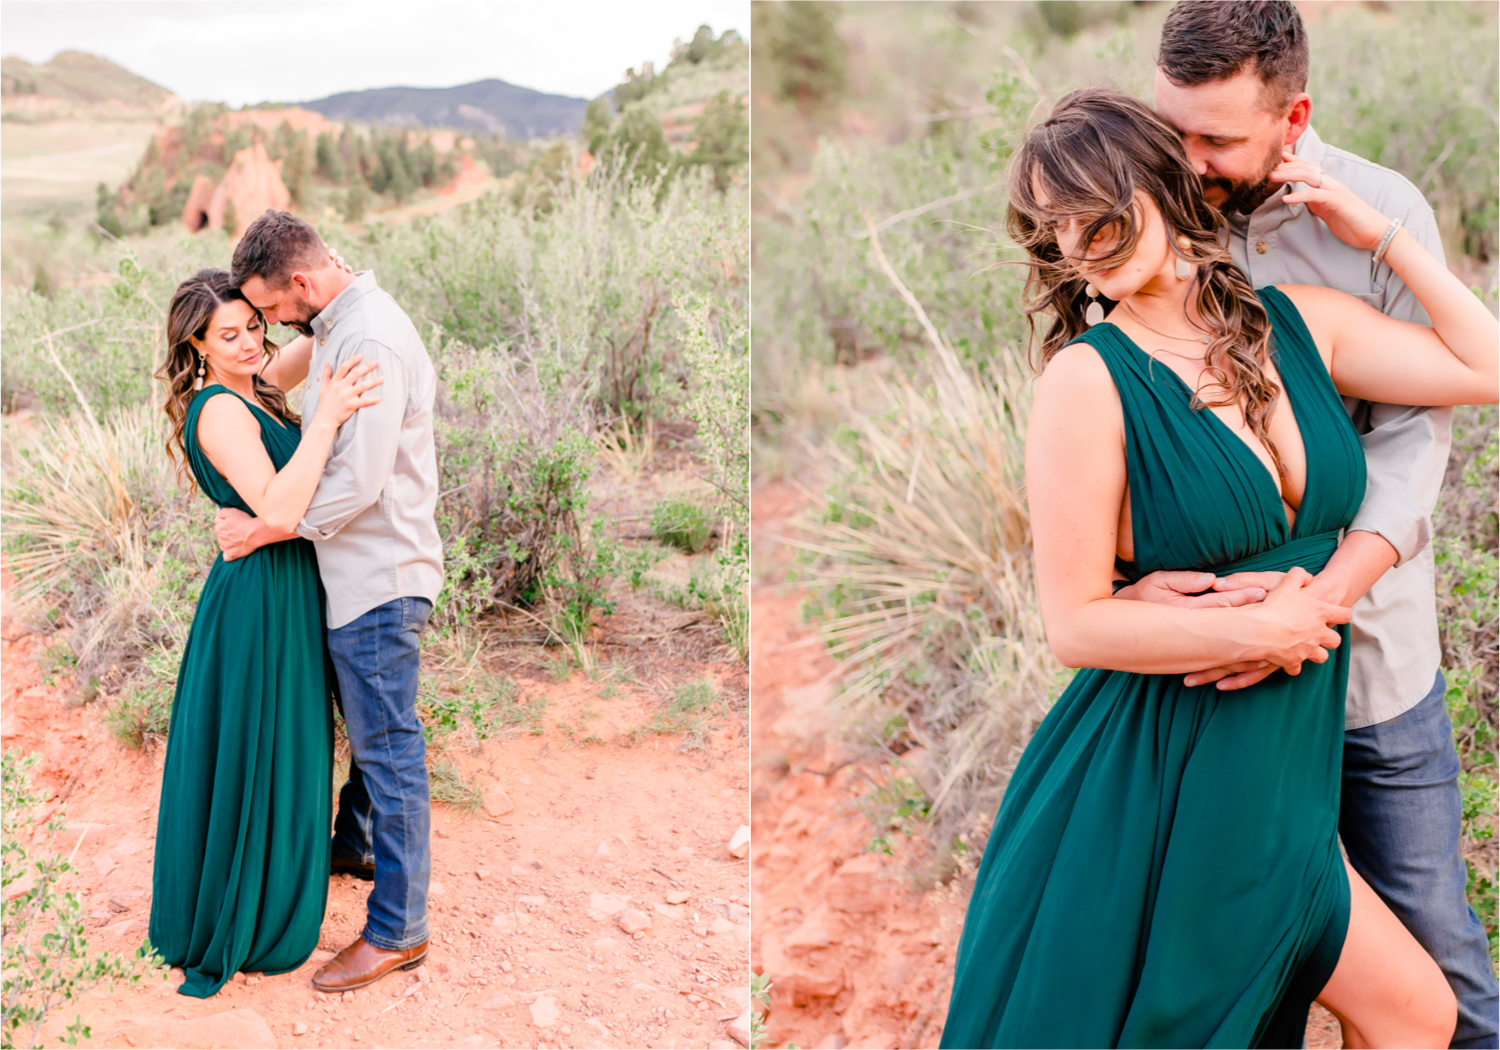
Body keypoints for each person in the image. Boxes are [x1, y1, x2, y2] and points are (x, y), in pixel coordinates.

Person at [938, 89, 1496, 1049]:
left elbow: (1486, 369)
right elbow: (1073, 622)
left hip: (1285, 768)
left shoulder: (1302, 325)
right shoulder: (1088, 377)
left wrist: (1385, 234)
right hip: (1170, 768)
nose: (1075, 244)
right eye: (1050, 229)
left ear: (1161, 181)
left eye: (1092, 209)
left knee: (1418, 1013)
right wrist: (1261, 629)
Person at [1122, 4, 1496, 1045]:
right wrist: (1127, 584)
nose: (1185, 162)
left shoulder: (1383, 210)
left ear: (1295, 117)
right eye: (1172, 128)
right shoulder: (1153, 203)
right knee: (1247, 975)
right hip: (1219, 690)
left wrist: (1318, 605)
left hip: (1373, 664)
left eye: (1217, 140)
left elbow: (1413, 444)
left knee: (1436, 962)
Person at [213, 210, 445, 993]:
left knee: (389, 749)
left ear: (302, 286)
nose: (273, 326)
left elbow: (359, 482)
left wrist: (269, 528)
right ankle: (355, 843)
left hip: (378, 576)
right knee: (371, 734)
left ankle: (398, 931)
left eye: (273, 310)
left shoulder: (368, 338)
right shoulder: (343, 319)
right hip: (358, 574)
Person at [147, 269, 382, 998]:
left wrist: (311, 283)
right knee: (256, 743)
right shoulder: (218, 409)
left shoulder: (254, 376)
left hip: (287, 587)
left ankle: (282, 873)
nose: (251, 342)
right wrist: (328, 419)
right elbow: (280, 506)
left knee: (290, 741)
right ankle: (239, 912)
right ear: (196, 343)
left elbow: (313, 331)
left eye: (255, 324)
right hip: (256, 603)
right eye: (230, 334)